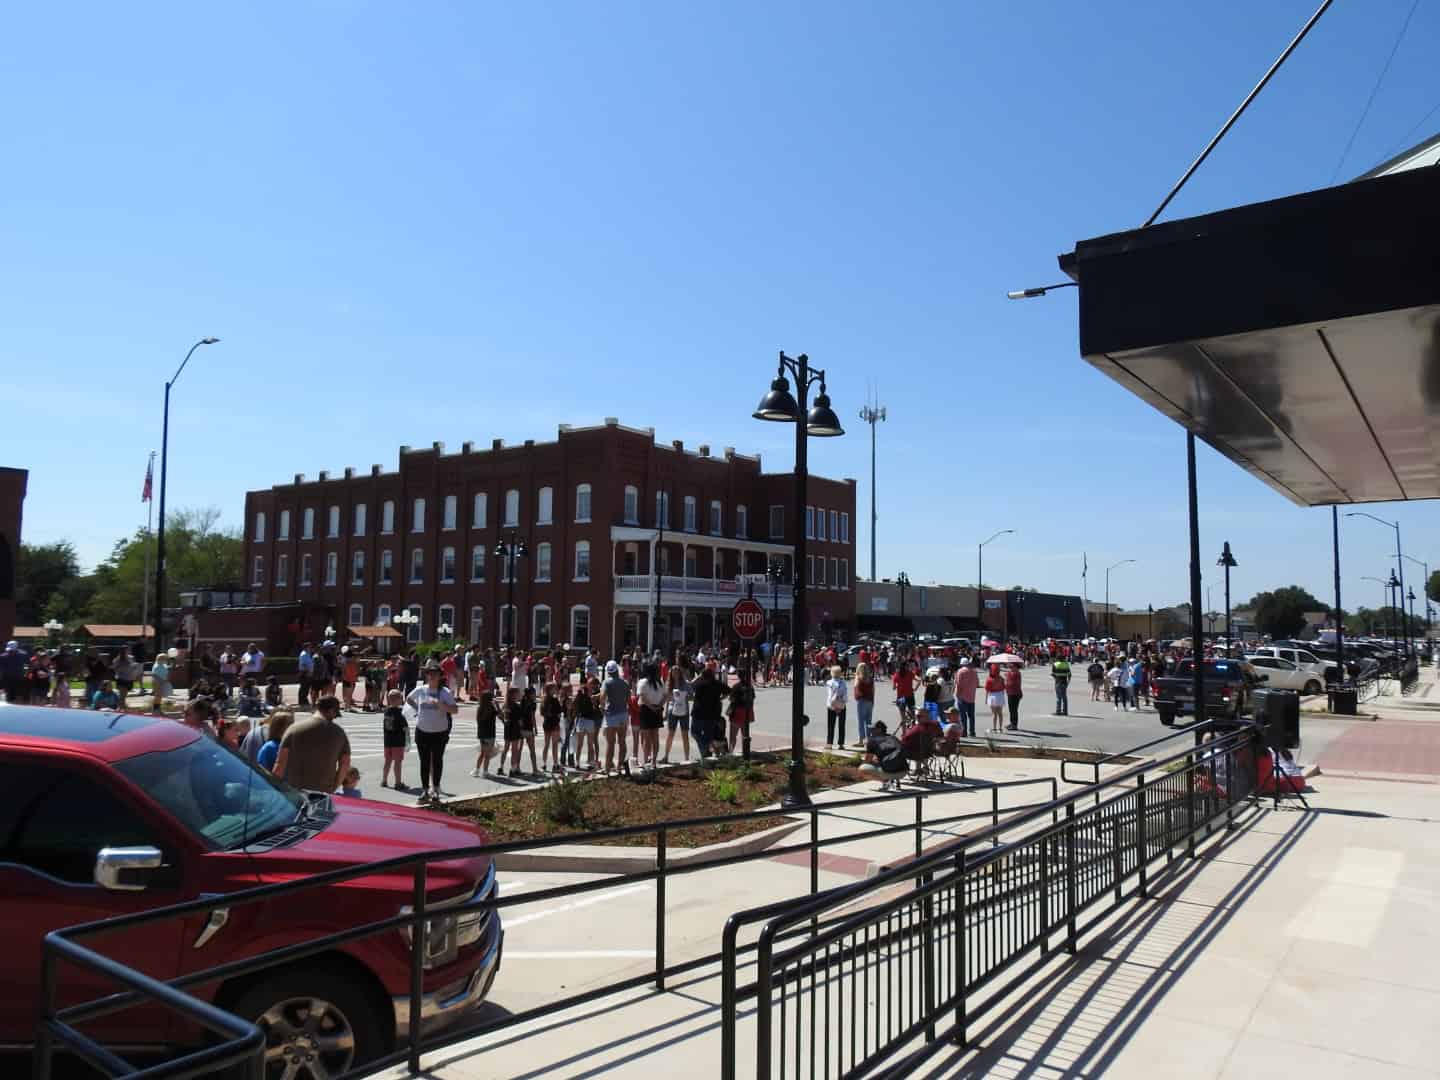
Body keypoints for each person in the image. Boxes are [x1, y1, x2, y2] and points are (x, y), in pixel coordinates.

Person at [275, 696, 351, 793]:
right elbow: (345, 763)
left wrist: (274, 787)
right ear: (331, 710)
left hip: (294, 790)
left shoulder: (293, 729)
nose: (334, 718)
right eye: (335, 715)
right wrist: (334, 786)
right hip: (322, 792)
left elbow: (280, 763)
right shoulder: (339, 733)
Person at [407, 660, 457, 803]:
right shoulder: (421, 689)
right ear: (427, 675)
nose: (432, 676)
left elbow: (455, 710)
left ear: (440, 676)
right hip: (422, 731)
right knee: (424, 762)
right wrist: (417, 709)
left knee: (437, 761)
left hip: (439, 732)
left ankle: (435, 789)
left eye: (435, 674)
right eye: (429, 673)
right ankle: (425, 790)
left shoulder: (445, 692)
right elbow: (409, 699)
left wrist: (442, 705)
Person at [601, 660, 630, 776]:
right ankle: (619, 766)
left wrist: (602, 708)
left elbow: (602, 697)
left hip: (611, 715)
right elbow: (628, 699)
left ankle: (607, 768)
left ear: (608, 672)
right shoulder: (624, 683)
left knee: (610, 743)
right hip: (623, 714)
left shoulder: (606, 682)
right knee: (622, 741)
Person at [861, 720, 908, 792]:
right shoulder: (894, 738)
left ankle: (886, 782)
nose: (871, 731)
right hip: (903, 772)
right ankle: (895, 781)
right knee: (892, 758)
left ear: (879, 730)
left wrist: (873, 760)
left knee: (862, 769)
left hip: (888, 772)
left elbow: (867, 761)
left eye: (873, 729)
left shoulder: (872, 741)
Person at [634, 663, 666, 771]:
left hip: (646, 710)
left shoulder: (643, 682)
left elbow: (642, 697)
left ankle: (645, 760)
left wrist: (651, 707)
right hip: (657, 709)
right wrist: (659, 706)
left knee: (646, 737)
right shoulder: (660, 682)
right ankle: (654, 761)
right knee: (655, 736)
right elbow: (665, 696)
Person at [662, 664, 692, 764]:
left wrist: (685, 696)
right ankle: (666, 756)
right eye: (673, 672)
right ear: (671, 674)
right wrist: (666, 712)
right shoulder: (668, 684)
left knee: (685, 735)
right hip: (672, 711)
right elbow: (667, 699)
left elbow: (692, 695)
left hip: (684, 711)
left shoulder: (686, 683)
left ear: (680, 673)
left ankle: (686, 758)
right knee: (670, 734)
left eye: (677, 672)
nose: (675, 674)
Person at [382, 689, 410, 788]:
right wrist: (408, 740)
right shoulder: (401, 713)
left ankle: (384, 780)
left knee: (387, 761)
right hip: (398, 741)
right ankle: (398, 783)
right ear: (398, 700)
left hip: (388, 741)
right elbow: (405, 728)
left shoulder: (387, 711)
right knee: (397, 762)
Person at [574, 676, 601, 769]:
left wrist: (594, 702)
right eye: (590, 684)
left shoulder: (594, 694)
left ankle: (591, 762)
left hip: (590, 719)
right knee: (580, 743)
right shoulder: (581, 692)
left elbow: (596, 707)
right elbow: (576, 704)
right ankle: (577, 762)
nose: (591, 686)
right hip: (582, 719)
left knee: (590, 743)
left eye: (593, 685)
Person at [727, 668, 755, 756]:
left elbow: (731, 699)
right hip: (747, 712)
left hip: (737, 712)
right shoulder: (750, 686)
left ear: (739, 676)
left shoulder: (736, 686)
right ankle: (745, 751)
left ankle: (730, 752)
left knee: (733, 735)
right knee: (744, 734)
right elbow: (753, 698)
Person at [471, 688, 497, 778]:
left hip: (482, 733)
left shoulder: (480, 708)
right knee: (487, 754)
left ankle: (477, 770)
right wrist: (497, 706)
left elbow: (478, 721)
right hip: (490, 733)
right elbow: (500, 715)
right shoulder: (492, 708)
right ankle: (485, 771)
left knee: (482, 753)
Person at [498, 686, 523, 777]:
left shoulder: (506, 705)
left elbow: (500, 715)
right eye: (518, 693)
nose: (519, 695)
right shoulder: (516, 706)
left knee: (506, 748)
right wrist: (521, 728)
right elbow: (520, 720)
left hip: (507, 728)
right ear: (514, 695)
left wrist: (504, 722)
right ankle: (513, 769)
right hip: (515, 728)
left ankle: (501, 767)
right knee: (514, 750)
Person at [540, 682, 564, 773]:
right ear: (550, 690)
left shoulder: (544, 700)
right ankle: (555, 764)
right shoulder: (555, 700)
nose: (555, 690)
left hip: (546, 724)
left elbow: (542, 713)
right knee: (554, 745)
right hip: (554, 724)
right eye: (554, 688)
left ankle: (544, 764)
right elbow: (559, 713)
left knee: (546, 744)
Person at [825, 665, 849, 748]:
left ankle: (829, 743)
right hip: (841, 705)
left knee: (831, 725)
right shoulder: (843, 682)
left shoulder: (829, 683)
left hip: (832, 706)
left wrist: (833, 706)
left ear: (832, 673)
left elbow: (830, 695)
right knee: (841, 725)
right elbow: (845, 696)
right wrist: (842, 703)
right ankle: (841, 744)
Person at [853, 661, 875, 747]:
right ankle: (869, 740)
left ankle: (861, 740)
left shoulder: (859, 678)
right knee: (869, 721)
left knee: (861, 721)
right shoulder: (870, 679)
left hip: (862, 701)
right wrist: (873, 701)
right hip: (869, 700)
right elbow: (873, 691)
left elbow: (856, 687)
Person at [954, 660, 978, 738]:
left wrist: (957, 694)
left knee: (963, 716)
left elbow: (958, 684)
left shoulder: (960, 672)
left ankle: (964, 732)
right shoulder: (974, 672)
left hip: (962, 696)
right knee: (971, 716)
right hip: (971, 696)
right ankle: (972, 732)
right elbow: (977, 683)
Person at [984, 665, 1006, 733]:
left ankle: (994, 729)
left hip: (992, 696)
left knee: (994, 714)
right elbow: (1003, 688)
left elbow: (987, 690)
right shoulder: (1001, 678)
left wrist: (986, 699)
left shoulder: (989, 679)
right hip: (1000, 695)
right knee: (1000, 713)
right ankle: (1000, 728)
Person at [1004, 663, 1023, 730]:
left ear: (1016, 667)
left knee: (1014, 710)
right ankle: (1012, 723)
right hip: (1011, 693)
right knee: (1011, 709)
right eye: (1010, 666)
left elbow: (1012, 683)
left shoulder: (1017, 673)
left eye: (1012, 666)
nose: (1010, 668)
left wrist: (1007, 677)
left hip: (1015, 693)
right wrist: (1008, 676)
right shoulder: (1012, 673)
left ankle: (1014, 725)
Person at [297, 643, 315, 708]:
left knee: (306, 688)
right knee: (304, 687)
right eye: (310, 647)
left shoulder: (307, 654)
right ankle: (302, 702)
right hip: (304, 673)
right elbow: (303, 664)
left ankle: (304, 701)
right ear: (306, 647)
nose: (311, 648)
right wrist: (308, 671)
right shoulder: (304, 654)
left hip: (307, 673)